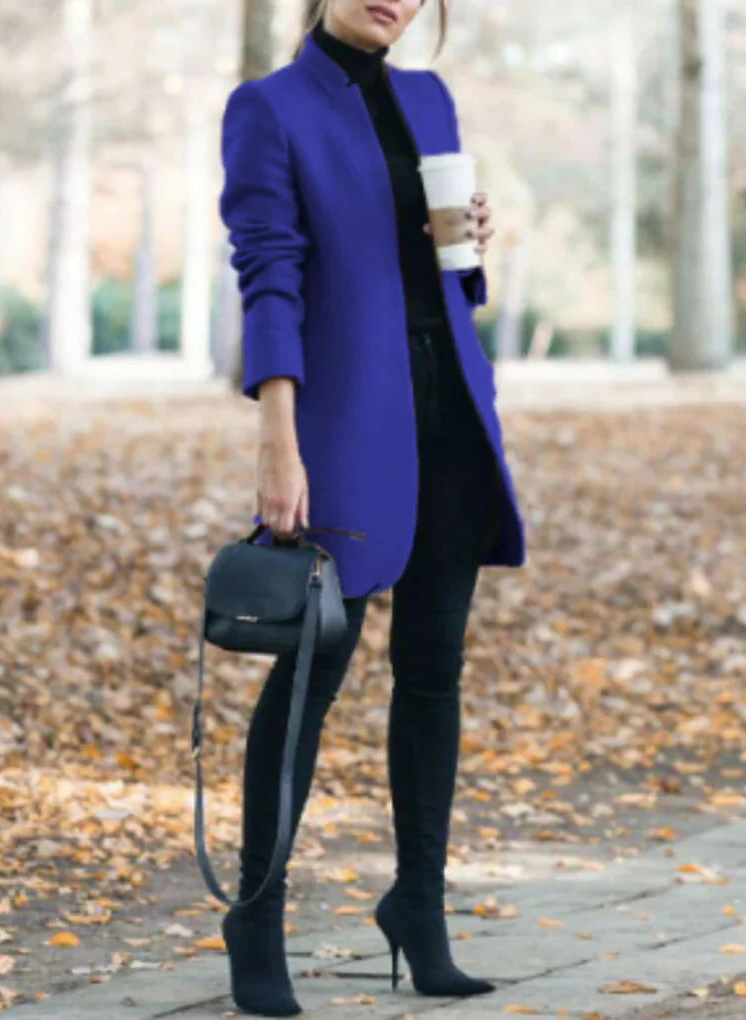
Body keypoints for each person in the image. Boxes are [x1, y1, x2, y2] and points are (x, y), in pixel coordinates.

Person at [215, 0, 527, 1015]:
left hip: (452, 419)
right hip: (345, 427)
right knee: (312, 672)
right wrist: (279, 439)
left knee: (432, 675)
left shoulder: (431, 99)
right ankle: (257, 914)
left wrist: (471, 244)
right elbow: (270, 277)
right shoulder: (269, 108)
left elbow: (450, 287)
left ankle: (418, 909)